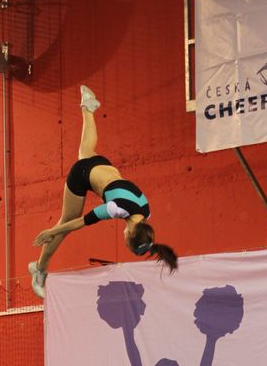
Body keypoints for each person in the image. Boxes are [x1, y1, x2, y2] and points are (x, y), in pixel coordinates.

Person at [28, 85, 177, 297]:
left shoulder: (146, 210)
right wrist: (50, 232)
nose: (123, 237)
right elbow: (80, 222)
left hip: (104, 166)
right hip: (82, 175)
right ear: (130, 234)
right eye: (126, 241)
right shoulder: (116, 209)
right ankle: (39, 269)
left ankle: (87, 108)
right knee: (65, 224)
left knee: (86, 150)